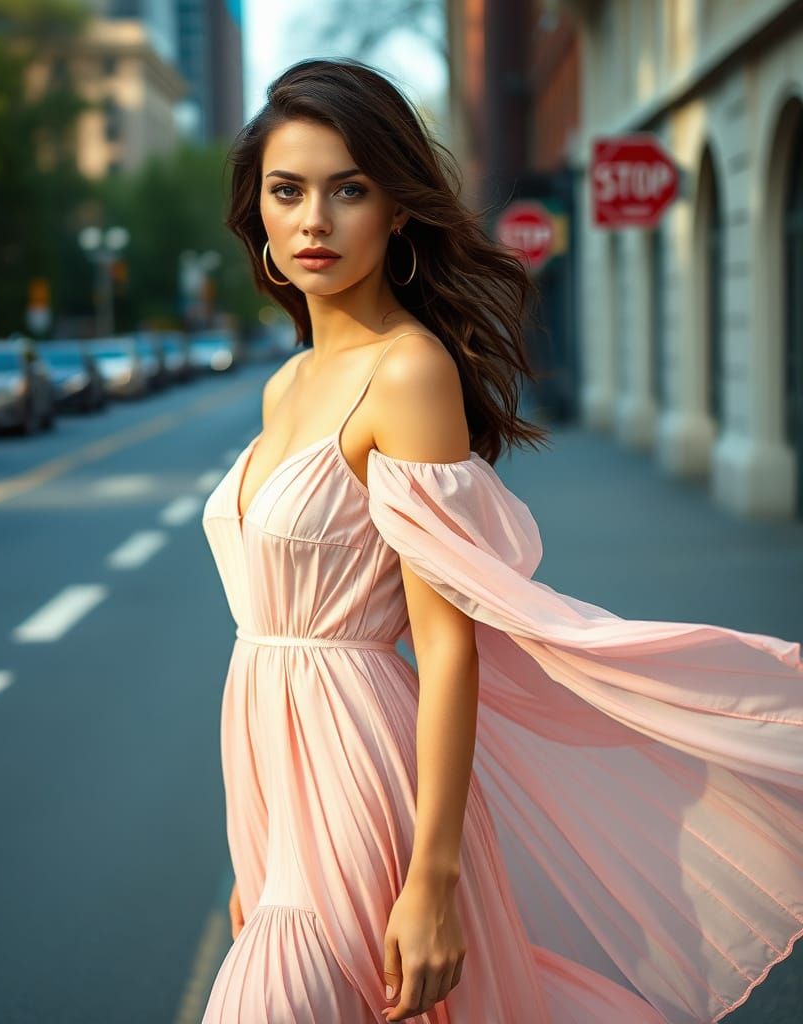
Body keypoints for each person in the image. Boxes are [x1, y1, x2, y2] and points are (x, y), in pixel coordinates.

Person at [200, 58, 803, 1023]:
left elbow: (447, 646)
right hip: (274, 789)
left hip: (364, 769)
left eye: (349, 189)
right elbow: (264, 650)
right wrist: (256, 852)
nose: (315, 218)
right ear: (258, 216)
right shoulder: (287, 387)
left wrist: (432, 879)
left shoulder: (408, 374)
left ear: (398, 211)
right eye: (288, 190)